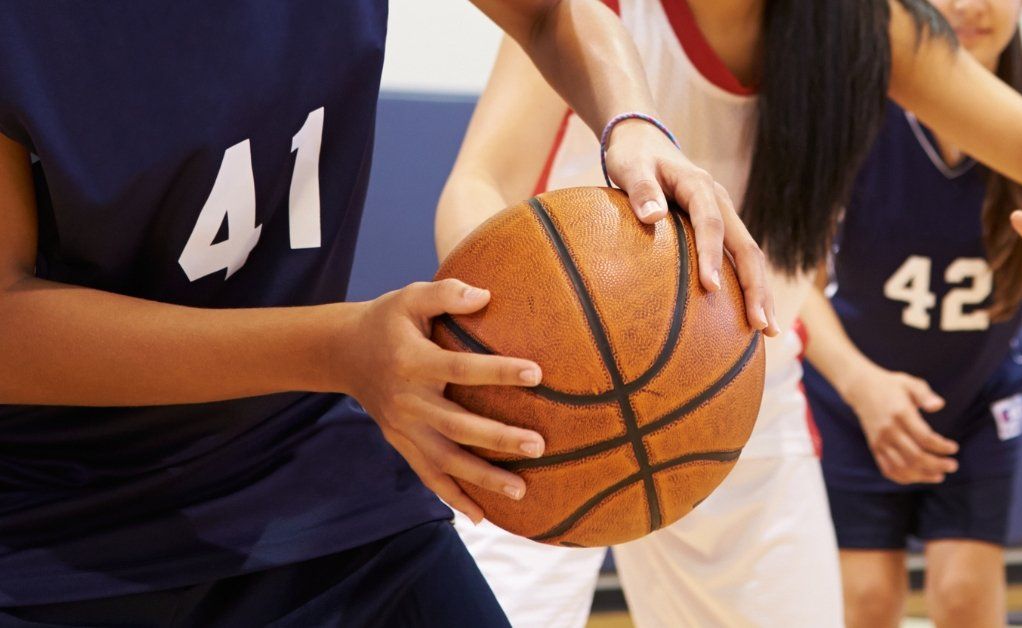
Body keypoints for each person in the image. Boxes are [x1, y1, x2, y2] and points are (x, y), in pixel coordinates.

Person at [0, 1, 777, 625]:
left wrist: (634, 122)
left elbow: (550, 13)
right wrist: (337, 349)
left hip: (302, 469)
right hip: (54, 523)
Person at [435, 0, 1022, 626]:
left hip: (741, 401)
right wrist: (505, 336)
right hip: (541, 401)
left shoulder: (866, 26)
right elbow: (478, 179)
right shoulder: (600, 15)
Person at [802, 1, 1022, 626]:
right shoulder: (853, 91)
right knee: (865, 600)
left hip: (975, 402)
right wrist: (859, 383)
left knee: (965, 595)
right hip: (854, 396)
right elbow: (789, 270)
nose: (969, 5)